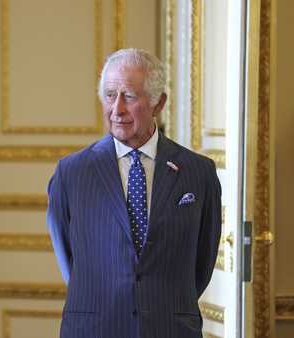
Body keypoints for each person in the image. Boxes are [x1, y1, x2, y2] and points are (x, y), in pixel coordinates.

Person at [46, 48, 221, 338]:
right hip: (94, 328)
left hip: (171, 328)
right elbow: (70, 262)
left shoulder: (198, 173)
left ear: (158, 103)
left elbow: (201, 264)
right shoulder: (71, 173)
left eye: (128, 96)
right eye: (109, 95)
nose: (117, 109)